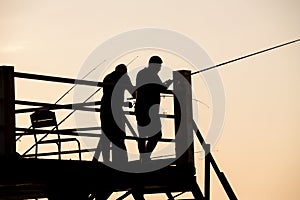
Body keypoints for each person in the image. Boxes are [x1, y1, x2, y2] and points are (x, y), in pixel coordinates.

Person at [135, 56, 172, 163]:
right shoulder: (152, 75)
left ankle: (143, 158)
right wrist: (168, 84)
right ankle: (146, 157)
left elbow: (156, 86)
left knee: (142, 134)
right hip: (150, 110)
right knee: (157, 134)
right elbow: (160, 88)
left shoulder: (141, 73)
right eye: (159, 66)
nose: (159, 68)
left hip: (140, 108)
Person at [97, 64, 134, 164]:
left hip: (104, 108)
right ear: (125, 71)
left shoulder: (107, 77)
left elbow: (110, 96)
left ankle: (106, 160)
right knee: (119, 134)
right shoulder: (124, 77)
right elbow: (133, 92)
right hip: (116, 110)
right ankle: (120, 160)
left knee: (106, 134)